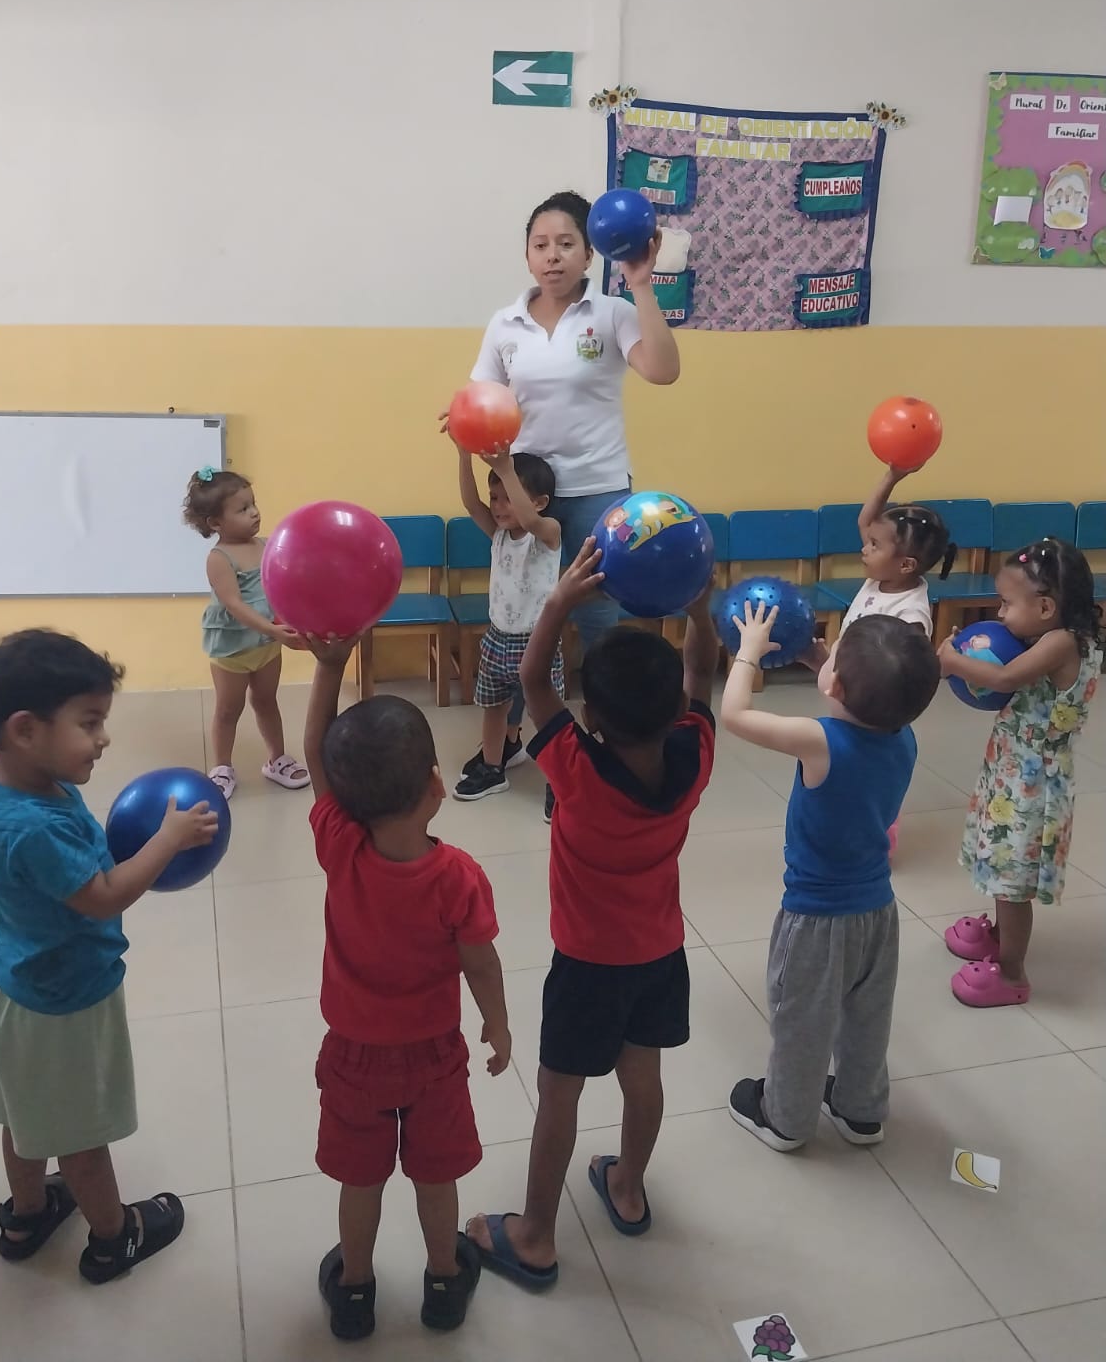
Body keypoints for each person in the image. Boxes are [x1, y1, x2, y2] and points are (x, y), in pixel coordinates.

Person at [466, 539, 717, 1288]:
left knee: (560, 1093)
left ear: (592, 717)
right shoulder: (694, 756)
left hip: (587, 966)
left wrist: (556, 602)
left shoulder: (575, 772)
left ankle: (535, 1236)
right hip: (660, 955)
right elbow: (702, 671)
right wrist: (701, 612)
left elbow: (528, 681)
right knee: (644, 1075)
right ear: (673, 712)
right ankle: (629, 1188)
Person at [0, 629, 219, 1281]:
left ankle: (27, 1214)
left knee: (23, 1117)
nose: (103, 738)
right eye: (89, 722)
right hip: (64, 1004)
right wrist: (168, 840)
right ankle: (113, 1236)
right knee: (82, 1137)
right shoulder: (35, 827)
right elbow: (104, 896)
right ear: (26, 730)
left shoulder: (12, 787)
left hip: (17, 989)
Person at [301, 634, 511, 1339]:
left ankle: (355, 1290)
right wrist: (497, 1022)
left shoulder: (341, 846)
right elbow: (481, 962)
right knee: (435, 1175)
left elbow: (315, 755)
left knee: (360, 1179)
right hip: (434, 1057)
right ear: (435, 785)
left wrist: (330, 668)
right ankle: (444, 1280)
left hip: (354, 1055)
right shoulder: (458, 877)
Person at [458, 189, 682, 814]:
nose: (552, 255)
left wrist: (642, 282)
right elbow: (481, 400)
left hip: (600, 497)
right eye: (540, 244)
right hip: (526, 497)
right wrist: (463, 428)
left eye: (565, 244)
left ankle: (601, 757)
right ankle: (519, 745)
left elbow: (664, 370)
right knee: (526, 630)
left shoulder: (611, 313)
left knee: (599, 633)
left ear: (589, 253)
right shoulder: (505, 324)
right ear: (527, 255)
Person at [723, 605, 940, 1151]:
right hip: (879, 912)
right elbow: (869, 697)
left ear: (835, 687)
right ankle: (860, 1110)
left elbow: (736, 714)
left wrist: (748, 651)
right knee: (867, 1017)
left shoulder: (819, 741)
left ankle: (786, 1119)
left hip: (817, 919)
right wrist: (823, 661)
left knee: (802, 1019)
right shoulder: (904, 736)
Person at [939, 538, 1102, 1007]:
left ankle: (1012, 975)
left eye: (1007, 604)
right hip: (1015, 770)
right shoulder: (1058, 636)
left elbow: (1005, 678)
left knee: (1013, 883)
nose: (1000, 612)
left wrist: (952, 660)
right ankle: (999, 937)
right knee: (1002, 870)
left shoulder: (1060, 643)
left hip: (1032, 787)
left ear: (1047, 607)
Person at [802, 463, 954, 855]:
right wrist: (891, 477)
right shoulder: (879, 579)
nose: (864, 548)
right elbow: (866, 521)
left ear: (906, 564)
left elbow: (894, 674)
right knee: (842, 775)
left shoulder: (911, 613)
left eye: (874, 545)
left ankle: (878, 838)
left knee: (868, 777)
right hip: (849, 701)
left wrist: (832, 673)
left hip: (874, 716)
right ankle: (848, 831)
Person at [183, 466, 308, 800]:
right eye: (242, 509)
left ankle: (277, 759)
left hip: (267, 643)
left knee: (266, 701)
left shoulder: (267, 546)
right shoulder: (219, 558)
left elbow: (283, 586)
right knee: (228, 709)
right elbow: (235, 604)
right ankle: (222, 767)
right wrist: (275, 630)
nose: (254, 512)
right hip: (233, 647)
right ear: (215, 523)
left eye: (253, 504)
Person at [450, 446, 563, 802]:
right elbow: (472, 504)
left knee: (546, 714)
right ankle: (492, 768)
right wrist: (463, 455)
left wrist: (506, 468)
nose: (498, 506)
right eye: (495, 497)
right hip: (498, 638)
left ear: (540, 503)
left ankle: (559, 781)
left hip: (537, 642)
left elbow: (530, 522)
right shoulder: (499, 534)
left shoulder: (547, 532)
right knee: (494, 707)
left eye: (508, 498)